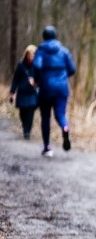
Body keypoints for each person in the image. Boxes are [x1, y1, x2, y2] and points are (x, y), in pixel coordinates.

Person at [33, 26, 76, 157]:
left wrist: (37, 80)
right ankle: (65, 127)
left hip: (46, 88)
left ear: (44, 36)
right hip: (62, 88)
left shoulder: (41, 51)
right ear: (56, 35)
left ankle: (47, 147)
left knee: (45, 117)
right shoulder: (64, 51)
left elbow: (37, 66)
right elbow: (72, 69)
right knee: (60, 115)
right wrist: (62, 76)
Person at [9, 45, 38, 139]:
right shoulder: (21, 65)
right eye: (29, 55)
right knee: (22, 113)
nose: (31, 57)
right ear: (26, 55)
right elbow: (15, 79)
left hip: (32, 92)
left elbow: (41, 79)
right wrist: (12, 92)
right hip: (22, 92)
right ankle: (24, 126)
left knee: (30, 112)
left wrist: (35, 82)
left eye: (33, 55)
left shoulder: (37, 65)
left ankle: (27, 132)